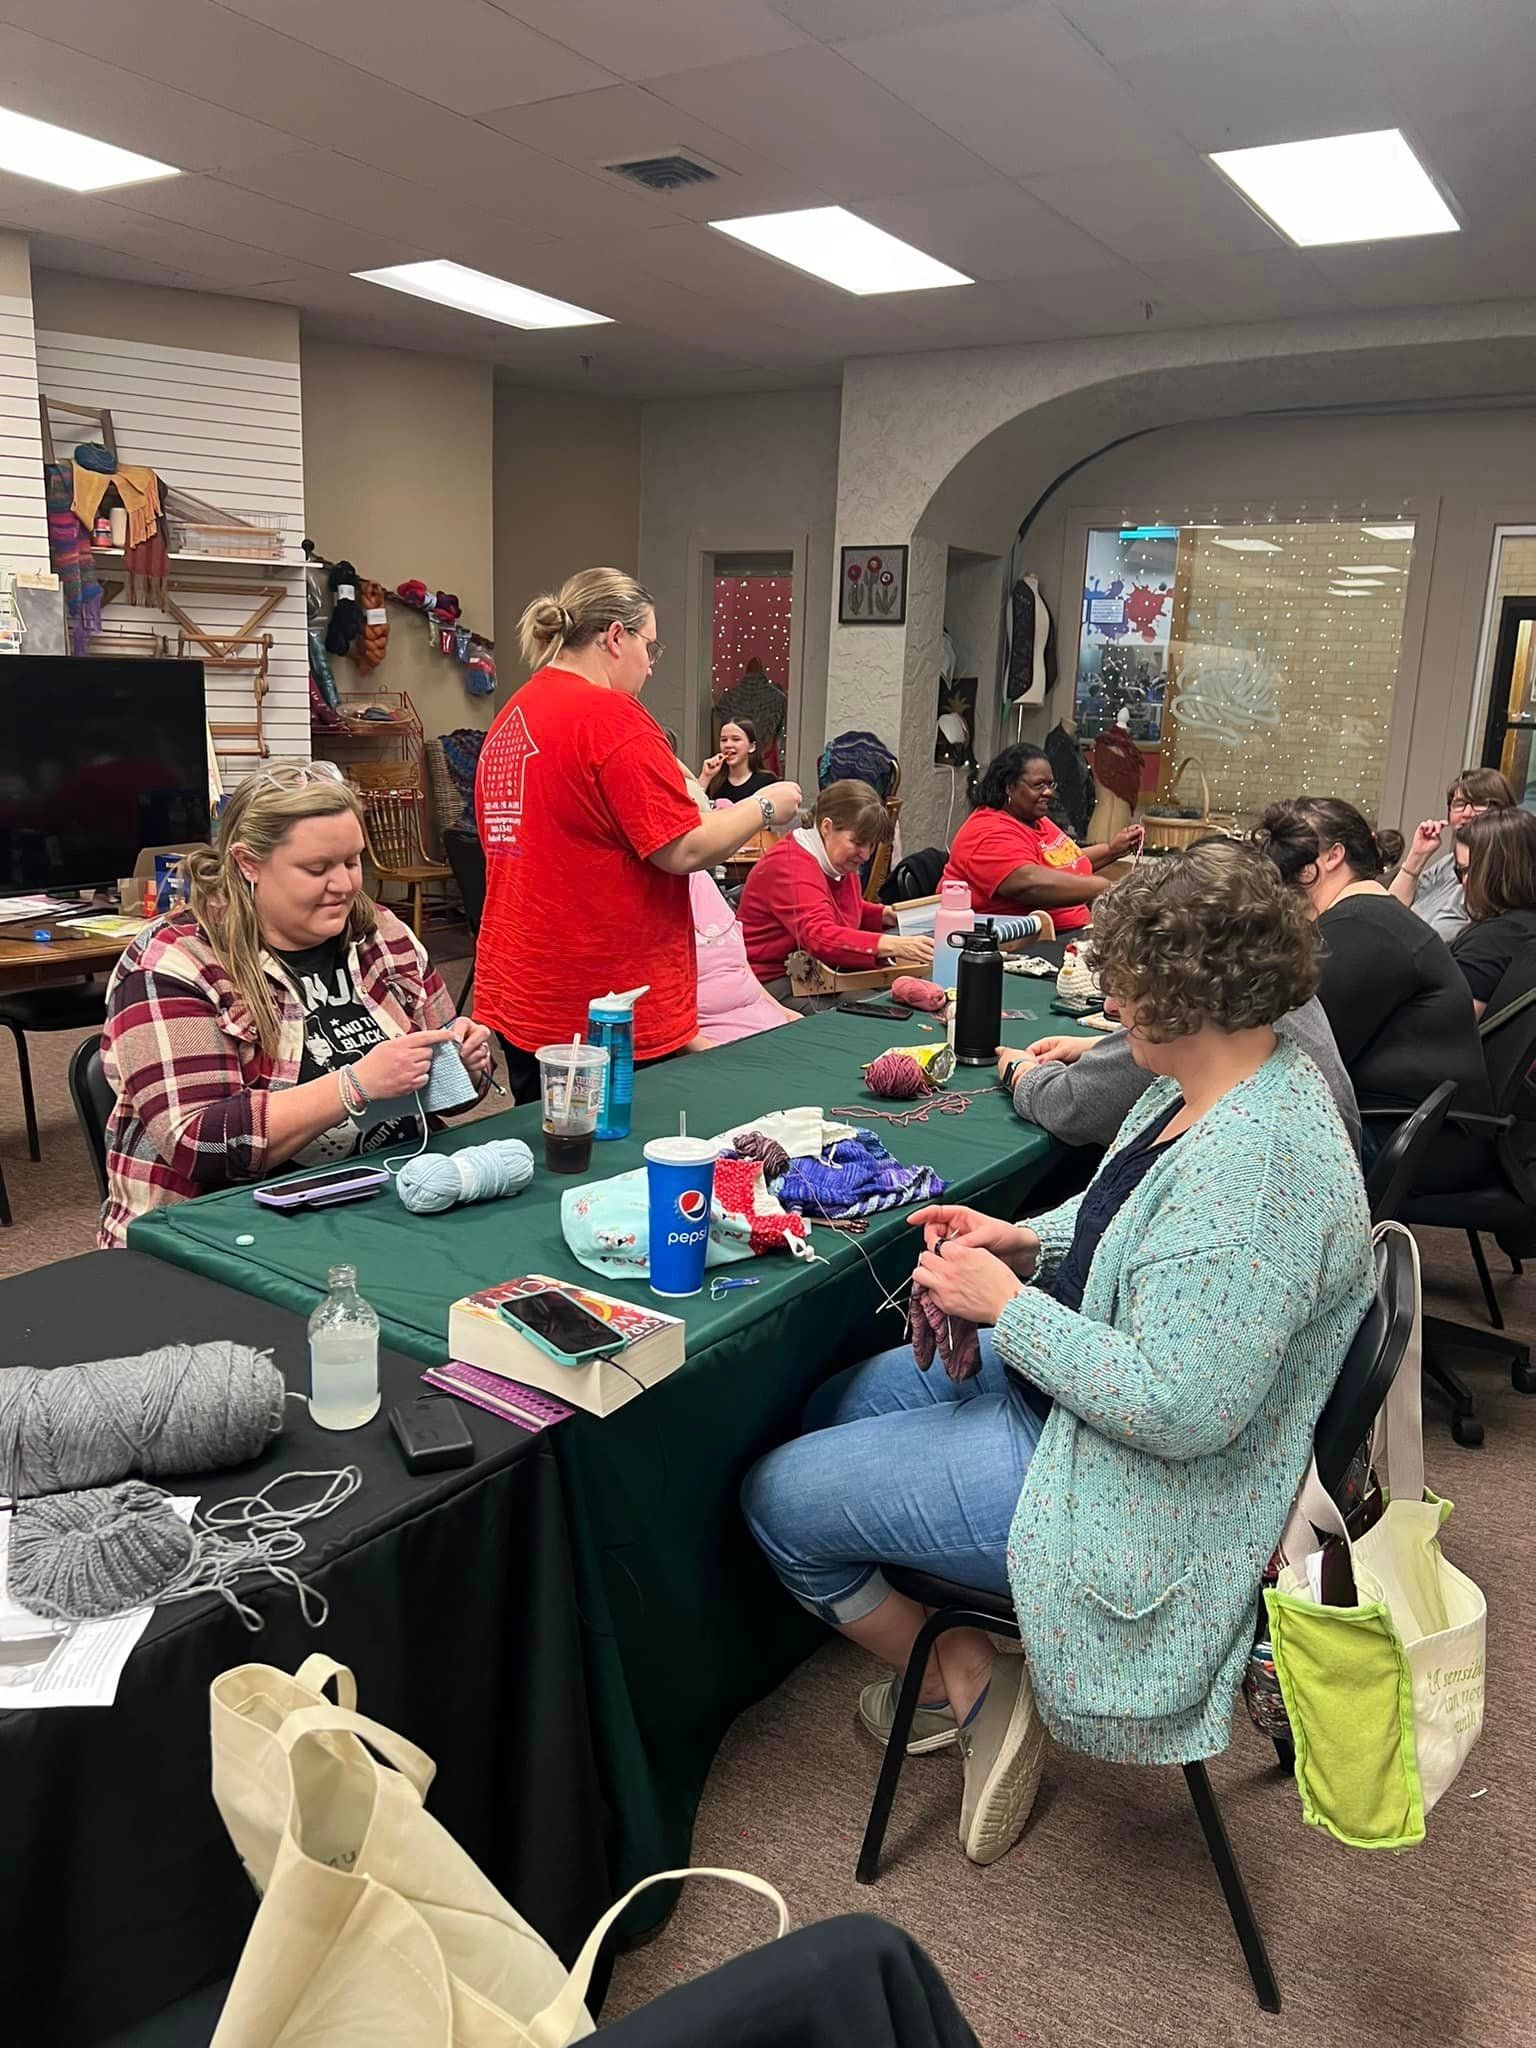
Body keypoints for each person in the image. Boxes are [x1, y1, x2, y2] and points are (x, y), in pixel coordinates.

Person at [742, 843, 1372, 1866]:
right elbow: (1128, 1213)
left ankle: (974, 1674)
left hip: (1145, 1497)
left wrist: (1006, 1307)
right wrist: (1023, 1240)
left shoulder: (1253, 1174)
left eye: (1122, 983)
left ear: (1178, 993)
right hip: (1091, 1398)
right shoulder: (1226, 1077)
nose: (1110, 1004)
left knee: (775, 1498)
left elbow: (1181, 1407)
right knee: (829, 1408)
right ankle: (967, 1646)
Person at [98, 761, 494, 1248]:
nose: (346, 885)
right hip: (220, 1233)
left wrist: (466, 1063)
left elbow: (446, 1095)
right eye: (317, 869)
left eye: (352, 861)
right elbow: (198, 1144)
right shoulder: (173, 964)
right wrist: (354, 1086)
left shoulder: (382, 933)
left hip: (381, 1204)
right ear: (248, 864)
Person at [473, 569, 801, 1102]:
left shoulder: (514, 713)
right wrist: (766, 805)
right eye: (650, 646)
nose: (650, 665)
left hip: (526, 987)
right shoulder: (610, 717)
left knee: (555, 1151)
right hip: (606, 1004)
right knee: (621, 1165)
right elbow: (686, 847)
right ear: (615, 636)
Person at [1254, 797, 1491, 1188]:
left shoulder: (1365, 928)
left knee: (1217, 1153)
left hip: (1414, 1138)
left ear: (1333, 856)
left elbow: (1297, 1051)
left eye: (1291, 838)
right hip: (1404, 1122)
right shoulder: (1361, 918)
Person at [739, 780, 934, 997]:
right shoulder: (791, 866)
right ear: (827, 827)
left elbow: (835, 907)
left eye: (871, 845)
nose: (866, 854)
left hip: (816, 971)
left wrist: (882, 915)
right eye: (858, 842)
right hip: (774, 979)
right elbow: (820, 936)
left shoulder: (833, 857)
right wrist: (890, 944)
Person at [942, 743, 1141, 931]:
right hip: (1025, 946)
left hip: (1071, 932)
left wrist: (1112, 850)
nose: (1049, 792)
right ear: (1009, 787)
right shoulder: (986, 831)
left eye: (1050, 784)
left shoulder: (1034, 818)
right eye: (1038, 785)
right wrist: (1110, 887)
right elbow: (1029, 882)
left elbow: (1064, 863)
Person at [674, 757, 801, 1050]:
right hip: (723, 1051)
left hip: (767, 1027)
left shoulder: (700, 880)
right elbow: (673, 1029)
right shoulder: (649, 901)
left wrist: (786, 1016)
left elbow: (737, 965)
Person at [1388, 766, 1513, 942]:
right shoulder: (1448, 863)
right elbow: (1390, 911)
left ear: (1503, 810)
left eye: (1479, 803)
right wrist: (1417, 856)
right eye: (1460, 804)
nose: (1467, 813)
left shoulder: (1506, 875)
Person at [1449, 805, 1536, 1016]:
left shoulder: (1492, 942)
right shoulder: (1522, 927)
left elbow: (1441, 1028)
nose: (1462, 882)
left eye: (1466, 870)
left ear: (1496, 871)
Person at [702, 718, 776, 804]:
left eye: (736, 739)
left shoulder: (767, 782)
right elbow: (691, 808)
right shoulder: (714, 782)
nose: (728, 745)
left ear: (752, 747)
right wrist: (705, 776)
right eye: (724, 740)